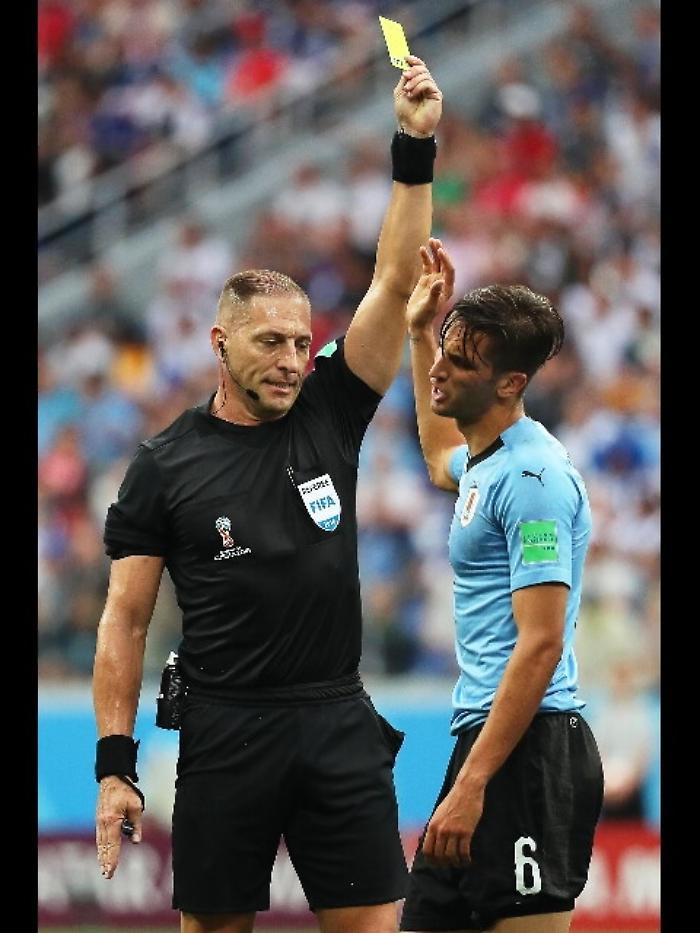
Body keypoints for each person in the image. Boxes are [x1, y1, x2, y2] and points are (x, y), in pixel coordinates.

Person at [92, 57, 443, 933]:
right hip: (224, 733)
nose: (292, 359)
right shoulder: (164, 464)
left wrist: (414, 147)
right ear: (220, 341)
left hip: (335, 718)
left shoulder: (330, 407)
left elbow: (394, 285)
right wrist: (114, 764)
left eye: (301, 341)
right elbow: (126, 619)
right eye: (271, 343)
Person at [399, 240, 604, 933]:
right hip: (485, 741)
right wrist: (418, 328)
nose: (439, 369)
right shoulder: (486, 463)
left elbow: (541, 643)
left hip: (529, 751)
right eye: (445, 351)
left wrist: (476, 781)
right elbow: (434, 458)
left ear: (511, 382)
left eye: (460, 361)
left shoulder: (532, 479)